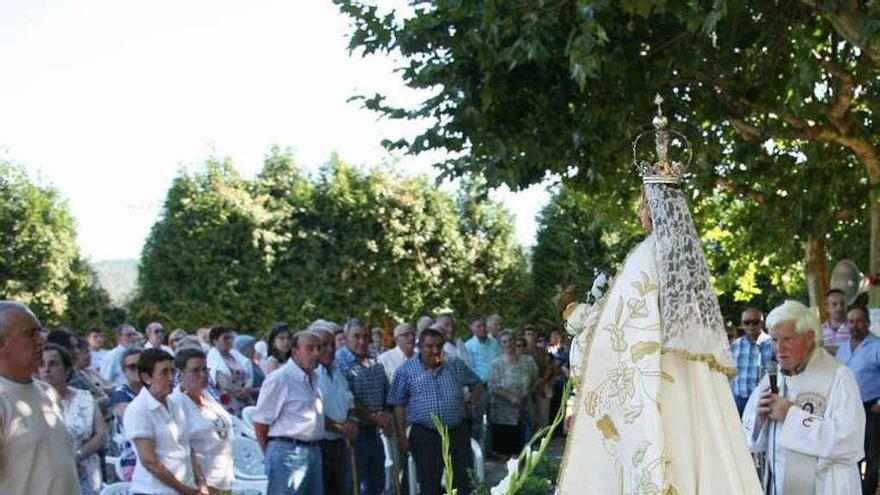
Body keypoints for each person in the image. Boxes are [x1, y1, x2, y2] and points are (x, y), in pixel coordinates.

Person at [557, 105, 762, 494]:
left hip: (656, 385)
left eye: (642, 205)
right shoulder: (687, 265)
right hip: (691, 387)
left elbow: (618, 336)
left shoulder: (645, 258)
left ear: (652, 210)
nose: (639, 214)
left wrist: (584, 331)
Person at [743, 300, 865, 494]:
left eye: (787, 339)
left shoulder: (839, 376)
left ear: (809, 337)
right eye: (774, 340)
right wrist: (759, 419)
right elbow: (750, 440)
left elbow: (850, 443)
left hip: (825, 486)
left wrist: (791, 415)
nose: (779, 348)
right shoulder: (772, 378)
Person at [388, 328, 483, 495]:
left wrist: (470, 401)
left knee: (463, 481)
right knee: (429, 483)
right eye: (429, 346)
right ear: (419, 346)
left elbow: (477, 384)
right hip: (426, 434)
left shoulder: (454, 364)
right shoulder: (406, 371)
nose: (435, 351)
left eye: (439, 346)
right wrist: (402, 436)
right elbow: (398, 404)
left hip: (456, 431)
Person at [0, 301, 79, 495]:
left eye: (39, 332)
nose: (41, 341)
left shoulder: (49, 393)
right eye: (29, 334)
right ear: (2, 343)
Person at [124, 348, 206, 495]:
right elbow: (150, 462)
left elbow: (187, 447)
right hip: (154, 491)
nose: (170, 378)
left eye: (172, 371)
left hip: (186, 486)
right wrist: (185, 490)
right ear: (146, 377)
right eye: (164, 372)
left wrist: (200, 481)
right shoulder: (138, 409)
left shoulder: (176, 403)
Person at [253, 331, 325, 495]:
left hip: (313, 451)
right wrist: (274, 453)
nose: (316, 353)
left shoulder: (314, 378)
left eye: (318, 348)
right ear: (295, 351)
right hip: (288, 452)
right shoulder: (280, 378)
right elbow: (260, 423)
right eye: (310, 348)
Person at [39, 343, 107, 495]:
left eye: (53, 364)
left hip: (86, 472)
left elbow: (101, 434)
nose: (47, 369)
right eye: (41, 364)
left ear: (67, 369)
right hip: (49, 476)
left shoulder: (85, 398)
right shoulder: (33, 403)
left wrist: (76, 456)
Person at [335, 318, 391, 495]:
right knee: (355, 484)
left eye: (365, 337)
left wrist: (385, 416)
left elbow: (384, 389)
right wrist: (374, 416)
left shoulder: (373, 359)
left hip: (374, 431)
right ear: (346, 337)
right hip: (355, 431)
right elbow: (349, 398)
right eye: (356, 336)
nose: (362, 341)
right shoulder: (339, 362)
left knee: (377, 482)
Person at [171, 348, 234, 495]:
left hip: (224, 479)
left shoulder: (208, 397)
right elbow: (181, 446)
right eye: (195, 370)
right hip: (200, 483)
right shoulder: (176, 402)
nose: (203, 375)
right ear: (180, 374)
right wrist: (200, 482)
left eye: (205, 369)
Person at [835, 306, 880, 494]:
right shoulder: (843, 348)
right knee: (851, 453)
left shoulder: (877, 345)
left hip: (871, 409)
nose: (855, 325)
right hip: (848, 411)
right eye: (851, 321)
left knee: (871, 456)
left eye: (860, 321)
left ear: (868, 323)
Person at [310, 323, 359, 495]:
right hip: (320, 446)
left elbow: (349, 402)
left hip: (340, 444)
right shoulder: (310, 375)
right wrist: (341, 428)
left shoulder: (337, 372)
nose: (330, 349)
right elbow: (314, 413)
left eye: (332, 344)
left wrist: (351, 421)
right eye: (324, 345)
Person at [487, 331, 537, 457]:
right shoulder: (496, 364)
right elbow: (492, 386)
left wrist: (527, 393)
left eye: (510, 340)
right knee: (505, 451)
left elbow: (535, 378)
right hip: (503, 412)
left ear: (515, 341)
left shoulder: (528, 361)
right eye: (504, 341)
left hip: (524, 408)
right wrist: (511, 396)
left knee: (524, 449)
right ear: (500, 345)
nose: (508, 344)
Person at [730, 307, 773, 416]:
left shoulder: (773, 344)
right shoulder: (735, 346)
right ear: (742, 324)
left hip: (764, 401)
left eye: (755, 322)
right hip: (740, 401)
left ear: (762, 323)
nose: (751, 326)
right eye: (747, 322)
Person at [108, 346, 143, 481]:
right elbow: (135, 423)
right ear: (124, 371)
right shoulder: (120, 395)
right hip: (133, 460)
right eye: (132, 367)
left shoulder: (153, 391)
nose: (137, 370)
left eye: (141, 365)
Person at [206, 325, 254, 415]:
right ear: (215, 341)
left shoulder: (236, 356)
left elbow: (249, 375)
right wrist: (238, 391)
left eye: (231, 338)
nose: (230, 341)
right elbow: (223, 382)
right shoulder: (213, 359)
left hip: (245, 398)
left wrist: (247, 388)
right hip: (229, 403)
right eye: (225, 338)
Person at [522, 324, 555, 430]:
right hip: (527, 386)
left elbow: (550, 367)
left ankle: (543, 436)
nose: (530, 337)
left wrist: (544, 380)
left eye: (532, 334)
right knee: (531, 414)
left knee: (543, 414)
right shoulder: (522, 351)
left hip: (542, 386)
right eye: (528, 334)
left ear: (536, 336)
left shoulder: (542, 351)